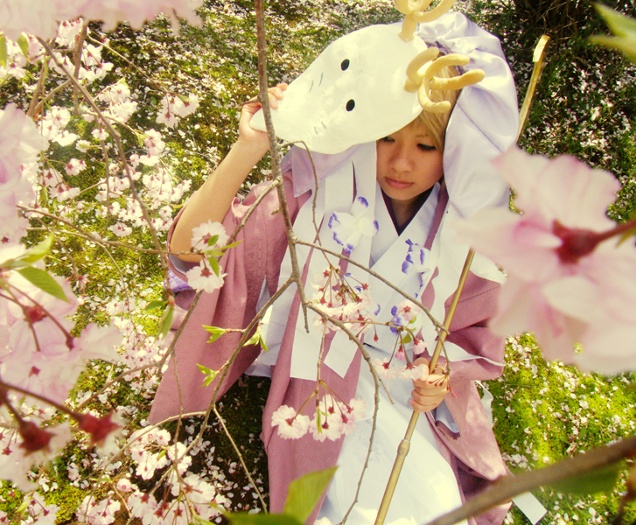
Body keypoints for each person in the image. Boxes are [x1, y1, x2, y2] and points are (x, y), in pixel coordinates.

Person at [150, 10, 519, 525]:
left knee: (437, 503)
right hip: (321, 390)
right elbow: (194, 252)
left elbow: (474, 336)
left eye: (425, 146)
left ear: (453, 151)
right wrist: (248, 147)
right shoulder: (314, 199)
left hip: (413, 401)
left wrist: (442, 374)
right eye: (387, 138)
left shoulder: (464, 235)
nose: (401, 163)